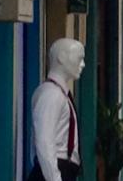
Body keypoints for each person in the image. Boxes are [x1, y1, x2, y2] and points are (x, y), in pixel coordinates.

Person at [27, 38, 86, 181]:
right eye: (79, 58)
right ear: (61, 58)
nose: (82, 64)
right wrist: (54, 177)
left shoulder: (59, 94)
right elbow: (44, 141)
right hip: (55, 171)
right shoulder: (51, 94)